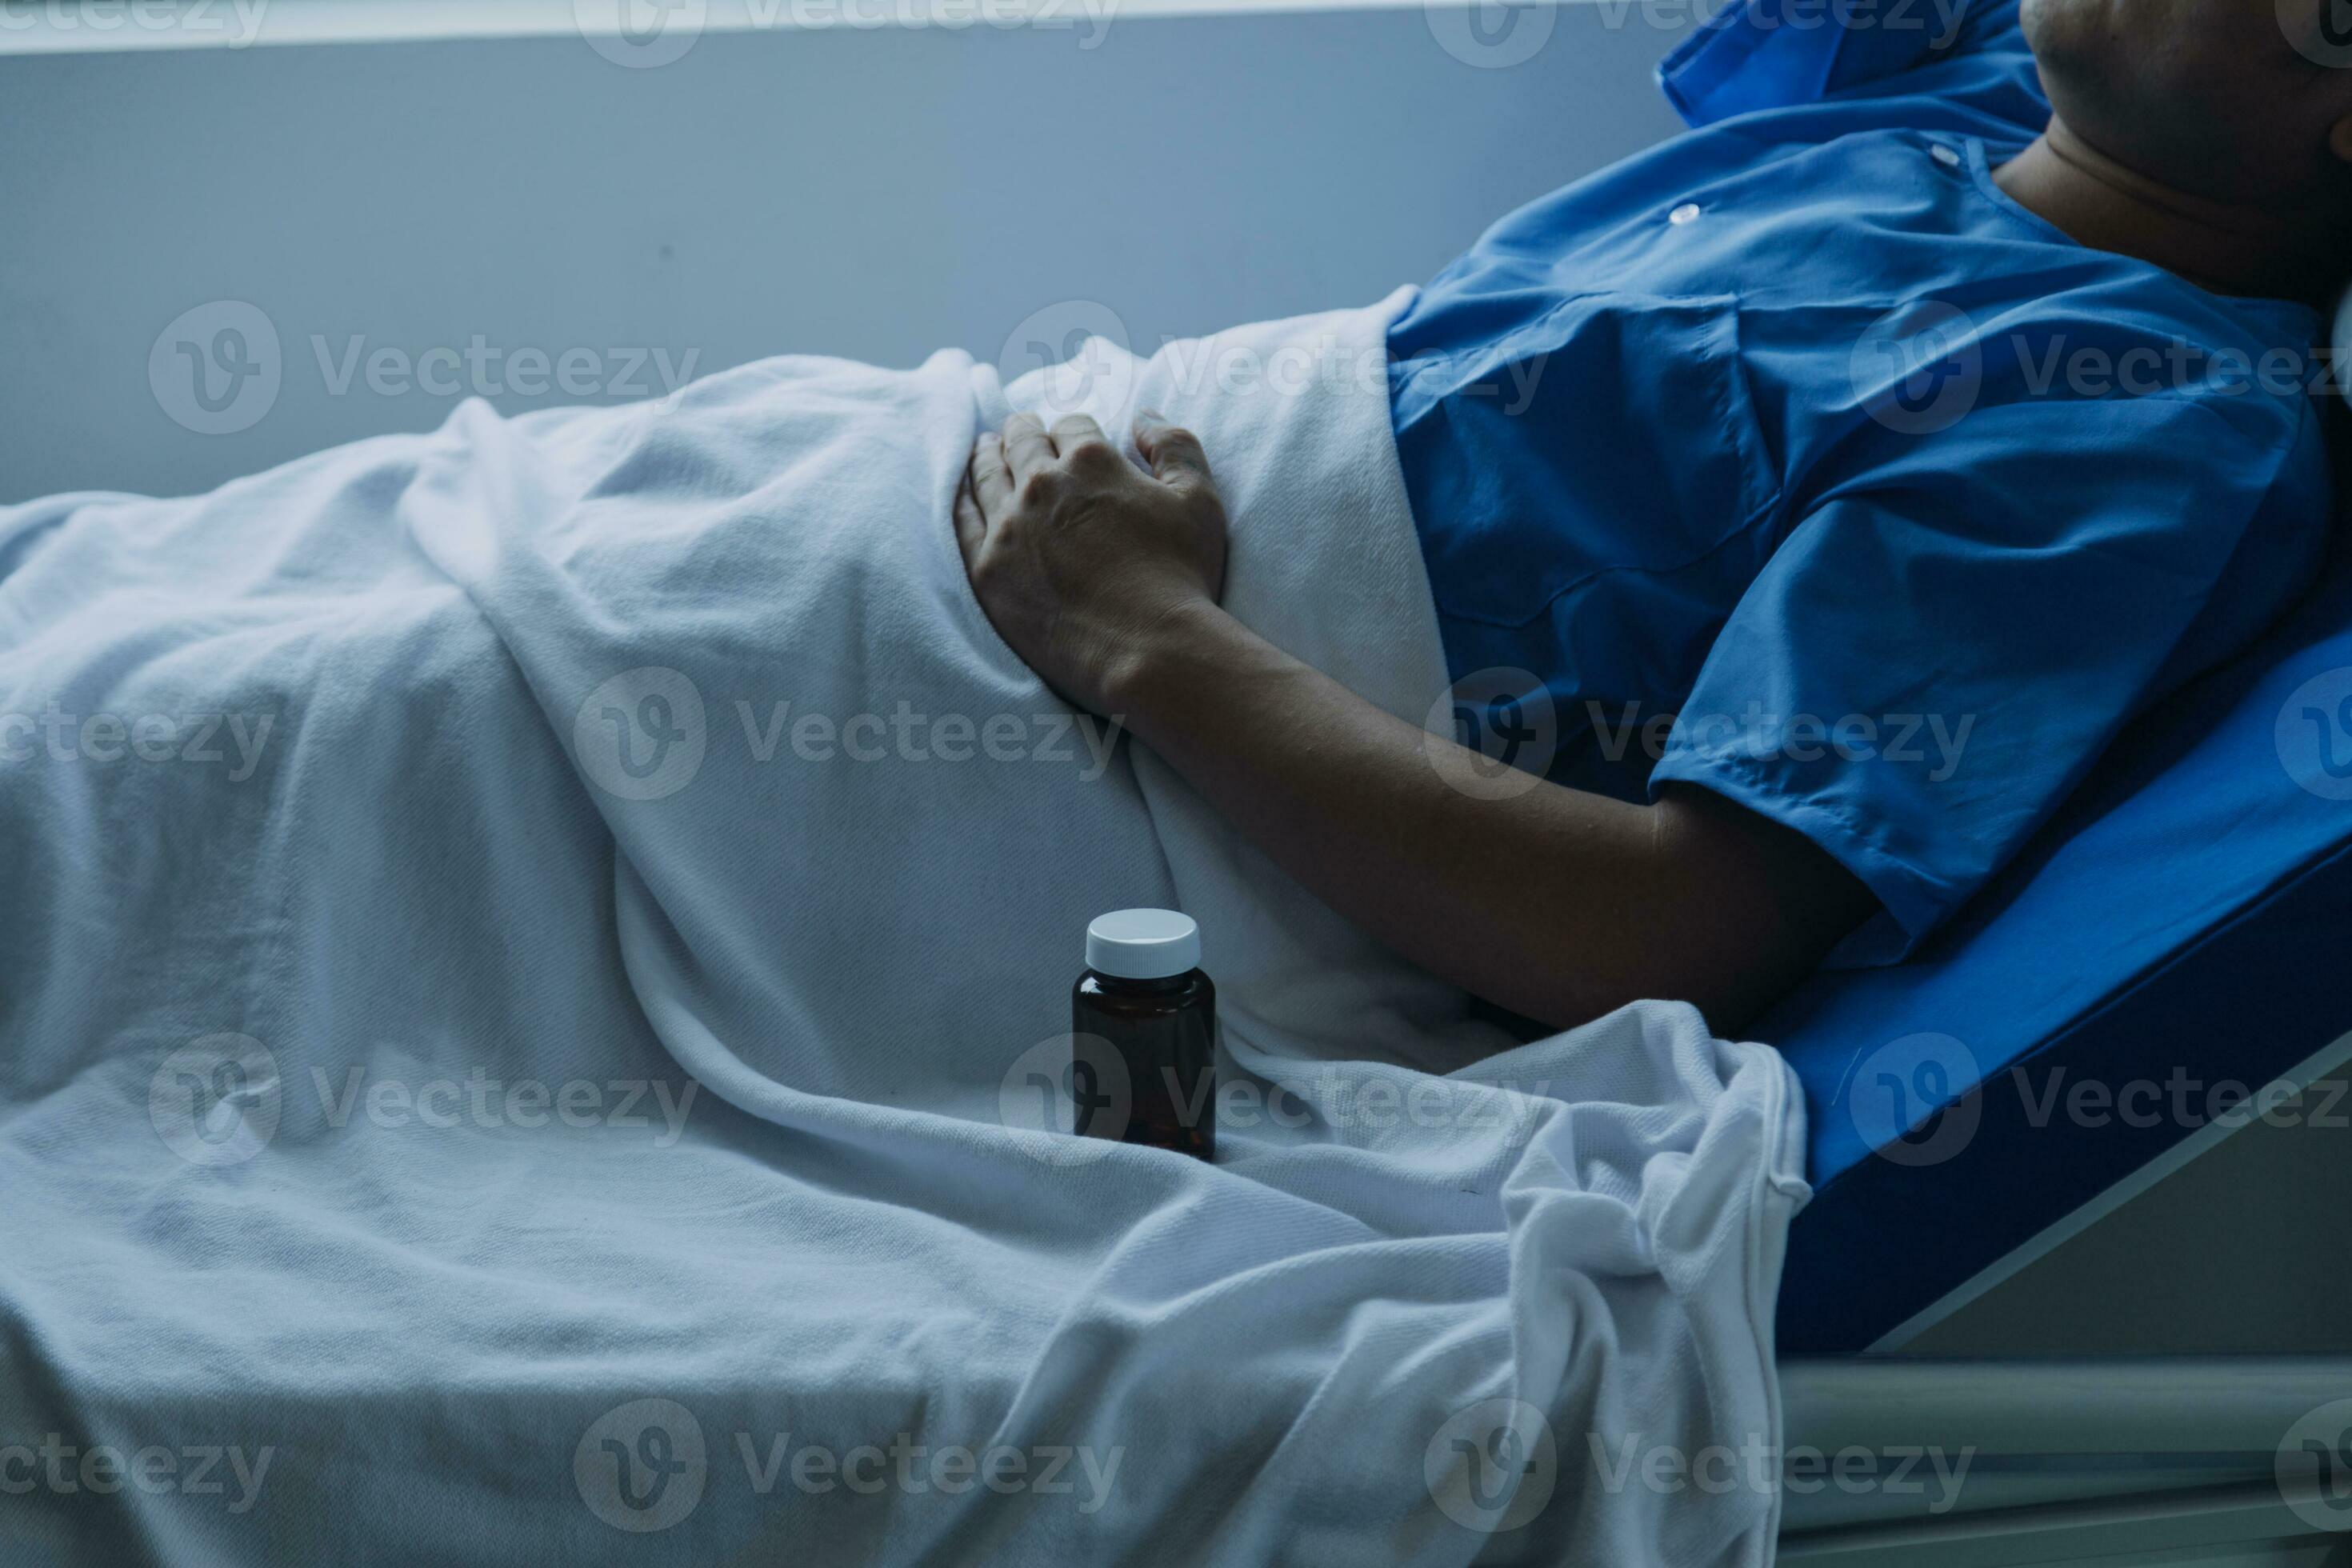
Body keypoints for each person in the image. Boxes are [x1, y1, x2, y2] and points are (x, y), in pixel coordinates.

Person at [955, 0, 2348, 1037]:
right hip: (1044, 467)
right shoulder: (2008, 92)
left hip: (1104, 696)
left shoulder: (2138, 423)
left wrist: (1140, 636)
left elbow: (1665, 932)